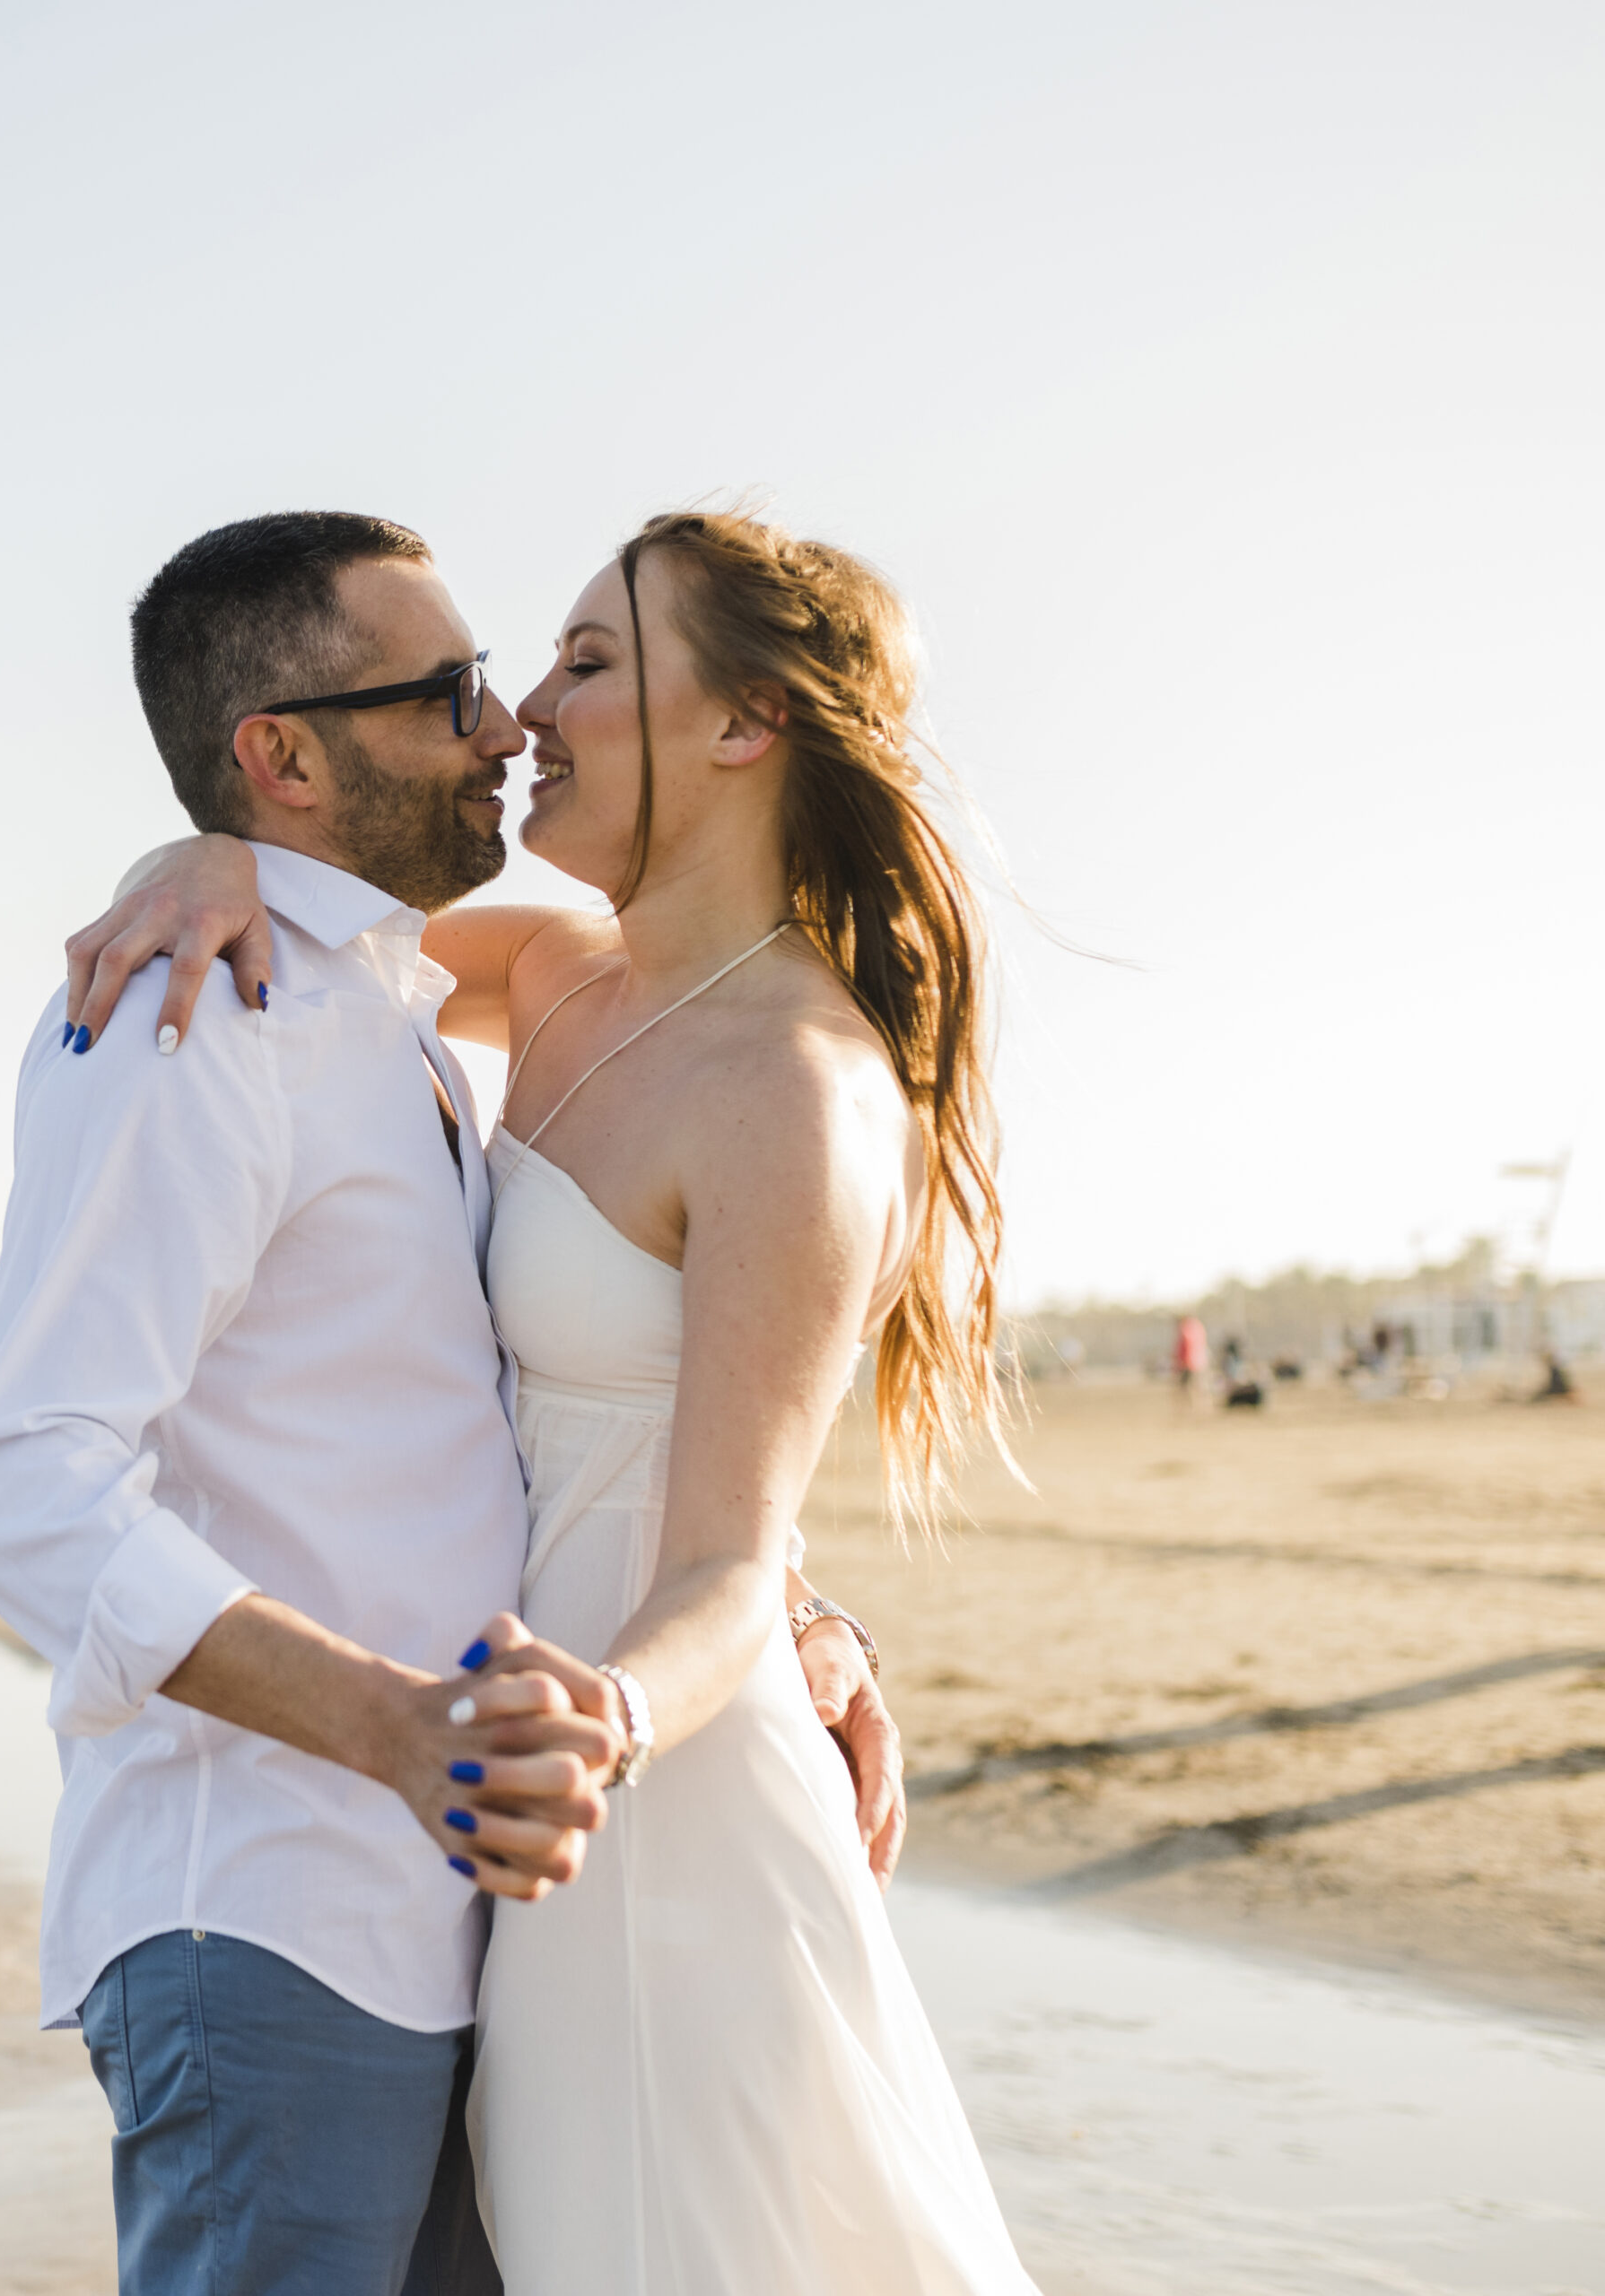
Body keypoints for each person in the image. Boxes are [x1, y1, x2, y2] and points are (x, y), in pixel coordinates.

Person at [71, 509, 1040, 2292]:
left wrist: (599, 1713)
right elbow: (338, 917)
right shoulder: (557, 971)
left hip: (640, 1800)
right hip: (492, 1816)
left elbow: (731, 1560)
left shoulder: (800, 1085)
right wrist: (203, 845)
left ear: (744, 719)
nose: (523, 708)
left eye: (589, 662)